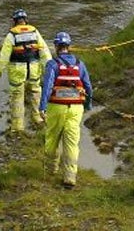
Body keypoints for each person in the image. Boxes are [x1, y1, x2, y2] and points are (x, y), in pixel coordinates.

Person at [39, 31, 93, 188]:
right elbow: (88, 86)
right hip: (76, 108)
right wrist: (88, 105)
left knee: (52, 139)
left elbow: (48, 86)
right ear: (69, 46)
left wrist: (42, 107)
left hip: (56, 107)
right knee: (71, 142)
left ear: (56, 46)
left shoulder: (53, 64)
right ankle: (70, 177)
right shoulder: (80, 64)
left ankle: (51, 169)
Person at [0, 8, 52, 133]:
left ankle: (17, 126)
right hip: (34, 68)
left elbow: (4, 56)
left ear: (15, 21)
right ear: (26, 20)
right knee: (36, 92)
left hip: (17, 70)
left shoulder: (11, 35)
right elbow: (44, 51)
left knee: (17, 97)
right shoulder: (35, 31)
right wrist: (49, 67)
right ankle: (38, 118)